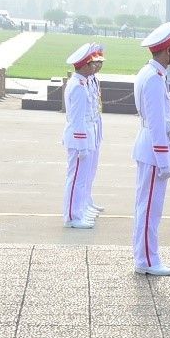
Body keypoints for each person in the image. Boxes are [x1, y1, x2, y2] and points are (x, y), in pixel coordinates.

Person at [132, 23, 170, 276]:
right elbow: (155, 124)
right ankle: (148, 260)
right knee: (150, 208)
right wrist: (164, 161)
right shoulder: (153, 78)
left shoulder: (152, 74)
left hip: (149, 148)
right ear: (166, 51)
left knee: (147, 207)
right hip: (153, 151)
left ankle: (146, 257)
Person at [62, 44, 100, 229]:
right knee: (75, 178)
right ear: (84, 65)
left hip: (85, 137)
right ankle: (72, 216)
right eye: (91, 64)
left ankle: (79, 211)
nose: (94, 67)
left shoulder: (82, 83)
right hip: (79, 140)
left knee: (82, 179)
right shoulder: (77, 86)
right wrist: (82, 145)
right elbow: (77, 119)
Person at [84, 44, 105, 219]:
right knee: (81, 175)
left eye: (100, 62)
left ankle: (86, 201)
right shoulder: (80, 83)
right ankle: (79, 209)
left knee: (90, 171)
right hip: (86, 133)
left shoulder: (92, 80)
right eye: (95, 62)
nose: (98, 65)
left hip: (94, 129)